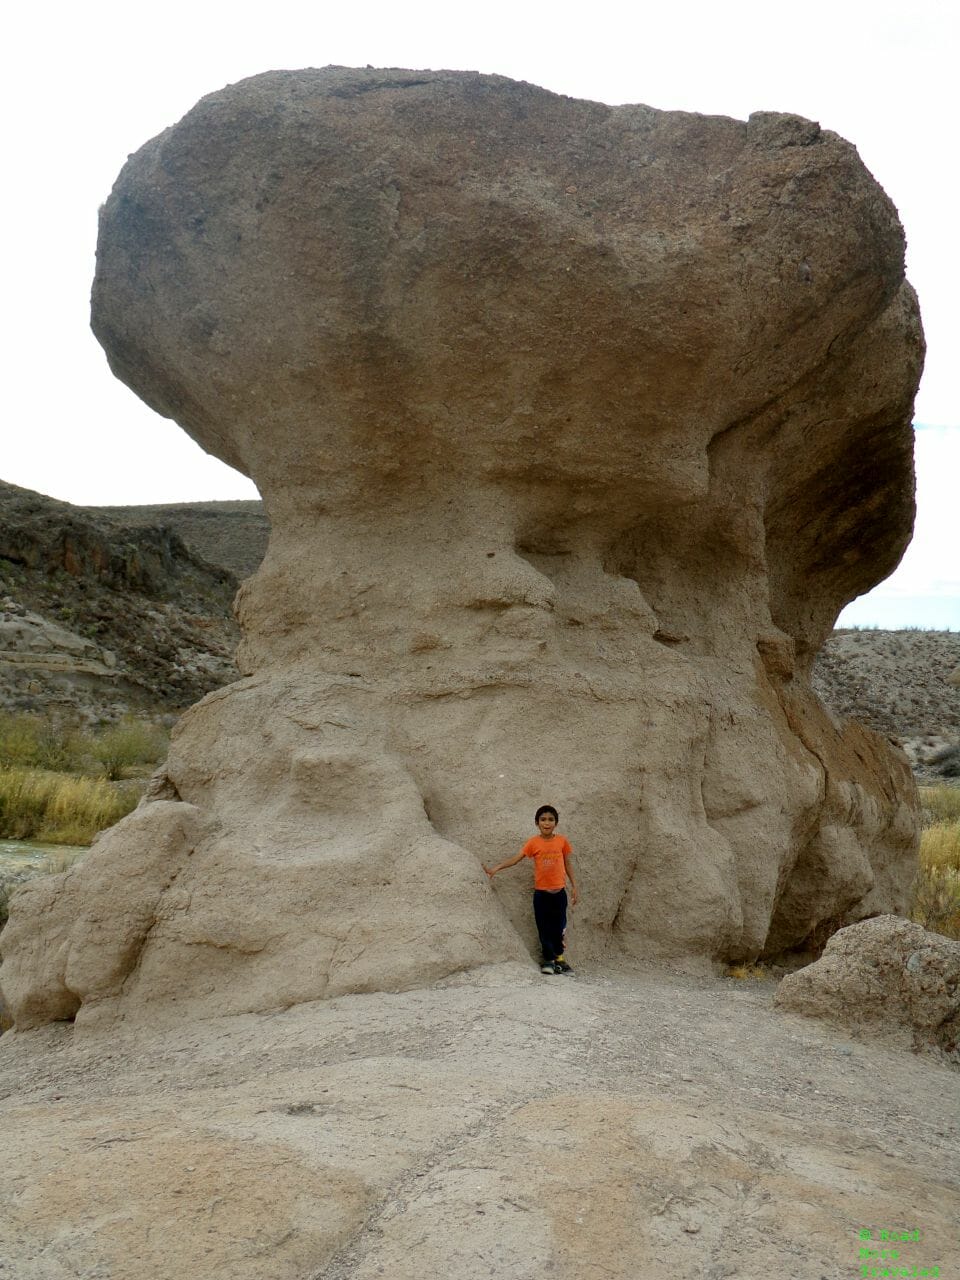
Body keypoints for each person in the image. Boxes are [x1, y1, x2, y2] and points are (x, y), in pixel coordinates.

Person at [483, 805, 579, 975]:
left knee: (559, 927)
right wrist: (495, 869)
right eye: (543, 819)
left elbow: (567, 864)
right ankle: (548, 961)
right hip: (541, 894)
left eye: (550, 819)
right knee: (543, 927)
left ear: (556, 823)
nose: (547, 823)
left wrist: (574, 886)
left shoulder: (562, 841)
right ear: (537, 823)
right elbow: (516, 859)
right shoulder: (533, 843)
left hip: (559, 894)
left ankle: (560, 960)